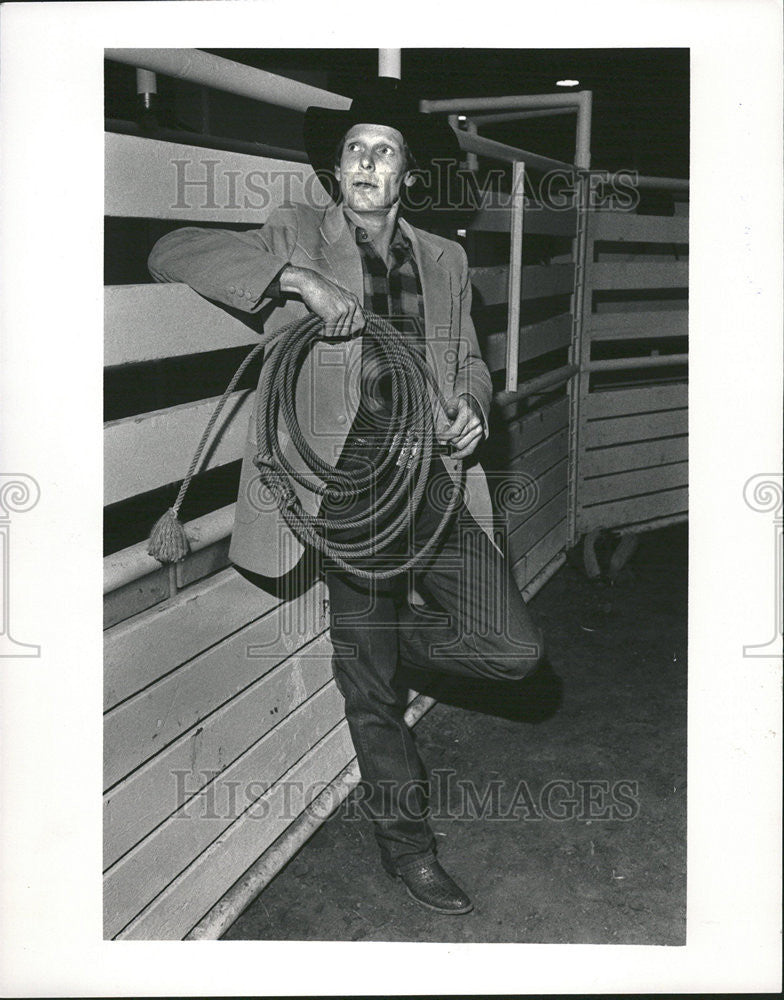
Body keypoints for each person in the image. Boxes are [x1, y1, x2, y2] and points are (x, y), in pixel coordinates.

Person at [148, 77, 546, 915]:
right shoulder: (295, 232)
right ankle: (410, 850)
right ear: (337, 166)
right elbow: (170, 249)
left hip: (427, 478)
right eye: (356, 148)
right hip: (343, 489)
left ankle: (379, 648)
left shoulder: (446, 258)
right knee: (370, 693)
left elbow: (471, 362)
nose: (368, 161)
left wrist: (472, 406)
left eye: (386, 150)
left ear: (407, 174)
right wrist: (297, 280)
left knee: (513, 653)